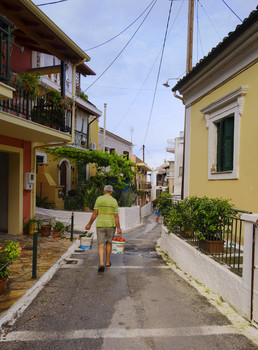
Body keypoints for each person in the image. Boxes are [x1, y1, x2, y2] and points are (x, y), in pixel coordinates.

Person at [85, 185, 122, 272]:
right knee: (109, 243)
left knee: (101, 244)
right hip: (110, 225)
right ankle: (107, 262)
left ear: (104, 191)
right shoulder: (114, 201)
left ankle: (101, 263)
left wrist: (89, 224)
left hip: (100, 224)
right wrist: (119, 228)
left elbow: (95, 213)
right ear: (111, 192)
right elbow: (116, 216)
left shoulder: (99, 199)